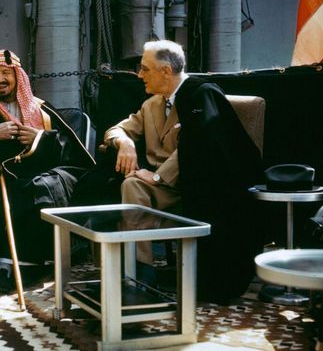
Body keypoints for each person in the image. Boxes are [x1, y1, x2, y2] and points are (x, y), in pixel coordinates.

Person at [101, 39, 263, 303]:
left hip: (195, 187)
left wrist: (157, 176)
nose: (139, 75)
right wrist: (125, 143)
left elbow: (200, 144)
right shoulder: (151, 105)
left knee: (137, 183)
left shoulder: (202, 95)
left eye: (145, 69)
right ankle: (141, 273)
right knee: (130, 184)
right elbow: (116, 130)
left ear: (165, 71)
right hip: (162, 191)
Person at [0, 49, 95, 289]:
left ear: (18, 76)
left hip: (35, 175)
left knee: (41, 188)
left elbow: (70, 151)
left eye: (6, 73)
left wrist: (39, 138)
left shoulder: (41, 110)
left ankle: (25, 262)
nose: (0, 80)